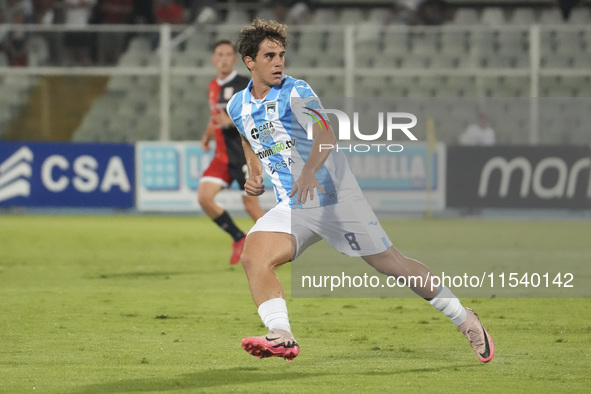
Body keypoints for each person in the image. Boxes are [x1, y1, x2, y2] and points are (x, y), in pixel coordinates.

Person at [227, 19, 494, 362]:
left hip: (337, 199)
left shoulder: (297, 91)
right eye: (269, 56)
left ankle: (465, 319)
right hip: (294, 204)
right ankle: (281, 334)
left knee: (394, 265)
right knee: (253, 255)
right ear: (249, 61)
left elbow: (326, 135)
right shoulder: (237, 105)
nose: (279, 62)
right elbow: (246, 136)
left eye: (281, 54)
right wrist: (254, 171)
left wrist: (309, 170)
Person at [198, 39, 265, 265]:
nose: (224, 58)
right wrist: (207, 137)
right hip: (222, 156)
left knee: (251, 205)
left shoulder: (244, 85)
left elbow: (257, 115)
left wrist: (233, 121)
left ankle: (278, 245)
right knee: (205, 198)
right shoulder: (213, 86)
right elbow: (214, 116)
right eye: (220, 54)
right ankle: (239, 238)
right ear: (214, 59)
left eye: (228, 54)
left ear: (233, 59)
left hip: (242, 154)